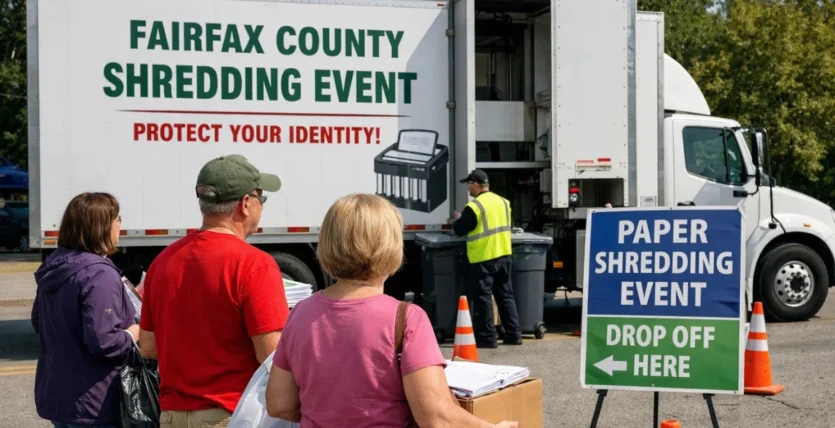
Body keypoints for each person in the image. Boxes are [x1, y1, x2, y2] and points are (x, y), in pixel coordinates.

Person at [264, 194, 517, 428]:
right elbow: (437, 417)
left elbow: (279, 404)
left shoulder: (300, 313)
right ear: (390, 245)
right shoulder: (406, 318)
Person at [138, 154, 290, 428]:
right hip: (230, 414)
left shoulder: (163, 262)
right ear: (245, 204)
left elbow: (148, 347)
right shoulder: (255, 264)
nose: (262, 206)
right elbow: (272, 355)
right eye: (261, 198)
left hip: (171, 416)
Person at [31, 192, 139, 428]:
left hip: (58, 395)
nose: (120, 225)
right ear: (101, 226)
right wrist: (132, 333)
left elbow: (39, 321)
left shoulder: (55, 265)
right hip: (95, 402)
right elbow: (104, 341)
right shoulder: (99, 274)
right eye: (117, 218)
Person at [452, 169, 522, 348]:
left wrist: (458, 219)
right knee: (506, 296)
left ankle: (488, 338)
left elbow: (459, 229)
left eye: (468, 184)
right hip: (504, 255)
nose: (468, 189)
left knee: (483, 298)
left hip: (484, 258)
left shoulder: (475, 206)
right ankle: (514, 334)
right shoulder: (504, 202)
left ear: (475, 184)